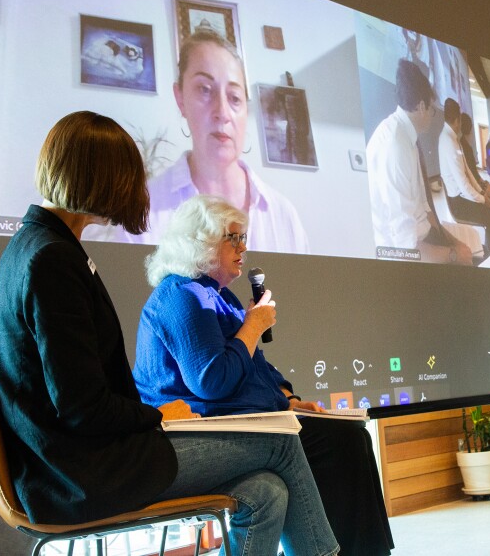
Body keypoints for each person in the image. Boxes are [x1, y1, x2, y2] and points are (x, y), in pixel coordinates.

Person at [0, 111, 338, 556]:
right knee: (283, 446)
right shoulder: (52, 260)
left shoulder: (38, 247)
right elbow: (81, 407)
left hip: (76, 462)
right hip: (78, 475)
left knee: (266, 491)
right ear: (103, 177)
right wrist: (158, 415)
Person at [132, 195, 393, 556]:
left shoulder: (221, 298)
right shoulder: (181, 295)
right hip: (198, 431)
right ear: (202, 242)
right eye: (233, 238)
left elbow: (256, 368)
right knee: (337, 442)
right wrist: (252, 326)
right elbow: (211, 381)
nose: (243, 248)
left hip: (239, 422)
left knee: (350, 435)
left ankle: (366, 551)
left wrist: (288, 399)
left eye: (244, 238)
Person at [105, 29, 308, 253]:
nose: (222, 111)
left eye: (234, 97)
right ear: (180, 98)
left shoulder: (283, 215)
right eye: (205, 89)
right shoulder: (144, 211)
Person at [366, 58, 472, 264]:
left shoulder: (407, 136)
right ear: (422, 106)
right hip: (406, 256)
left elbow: (425, 208)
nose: (433, 116)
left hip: (422, 238)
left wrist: (454, 243)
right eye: (433, 110)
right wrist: (453, 254)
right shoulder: (394, 146)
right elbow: (406, 248)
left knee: (471, 254)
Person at [437, 98, 490, 255]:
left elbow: (469, 172)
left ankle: (489, 249)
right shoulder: (449, 141)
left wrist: (482, 193)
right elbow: (463, 184)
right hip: (458, 203)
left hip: (462, 196)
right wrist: (483, 199)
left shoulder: (451, 138)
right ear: (457, 120)